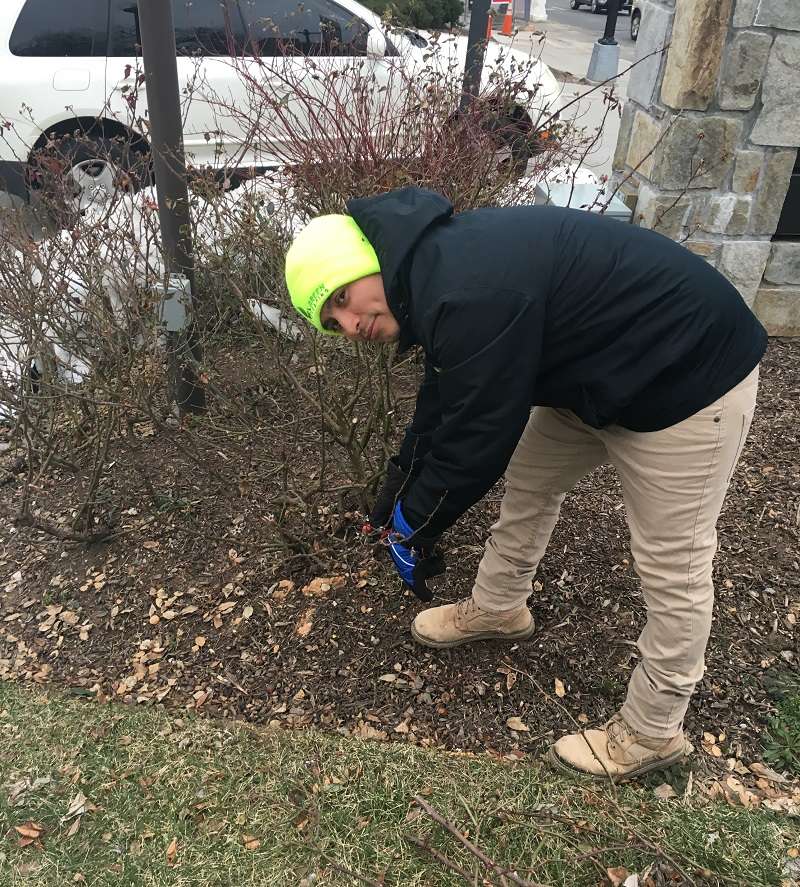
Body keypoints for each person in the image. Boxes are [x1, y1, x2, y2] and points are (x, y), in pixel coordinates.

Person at [284, 186, 767, 780]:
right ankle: (499, 609)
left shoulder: (463, 288)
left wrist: (416, 526)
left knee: (674, 563)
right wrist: (395, 501)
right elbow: (441, 407)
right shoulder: (434, 280)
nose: (349, 324)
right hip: (593, 376)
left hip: (687, 378)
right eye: (331, 323)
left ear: (367, 264)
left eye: (341, 299)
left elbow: (476, 437)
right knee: (530, 486)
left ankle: (652, 732)